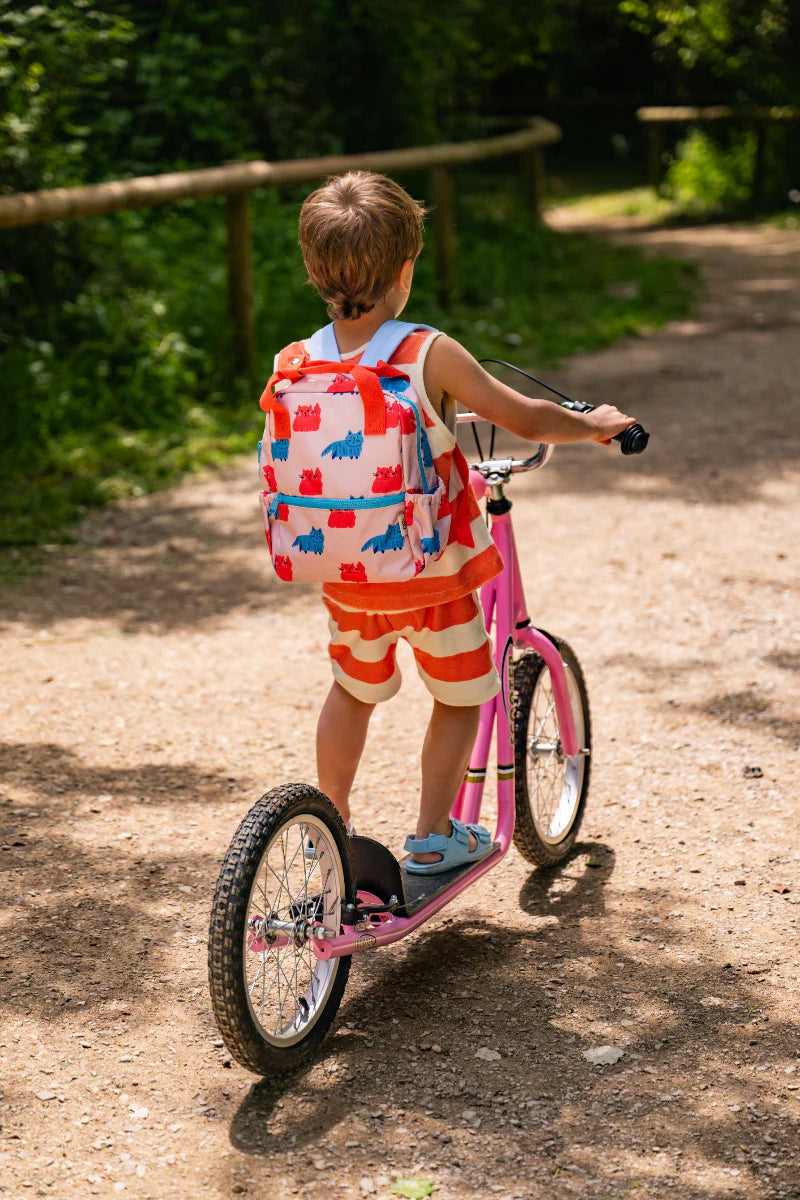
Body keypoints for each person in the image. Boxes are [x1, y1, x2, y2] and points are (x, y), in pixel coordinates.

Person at [273, 171, 634, 874]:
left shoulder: (298, 360)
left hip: (346, 576)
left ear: (315, 273)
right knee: (463, 695)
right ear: (405, 271)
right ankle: (435, 835)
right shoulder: (426, 352)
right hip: (432, 577)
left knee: (352, 691)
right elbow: (526, 418)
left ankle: (329, 824)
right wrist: (593, 424)